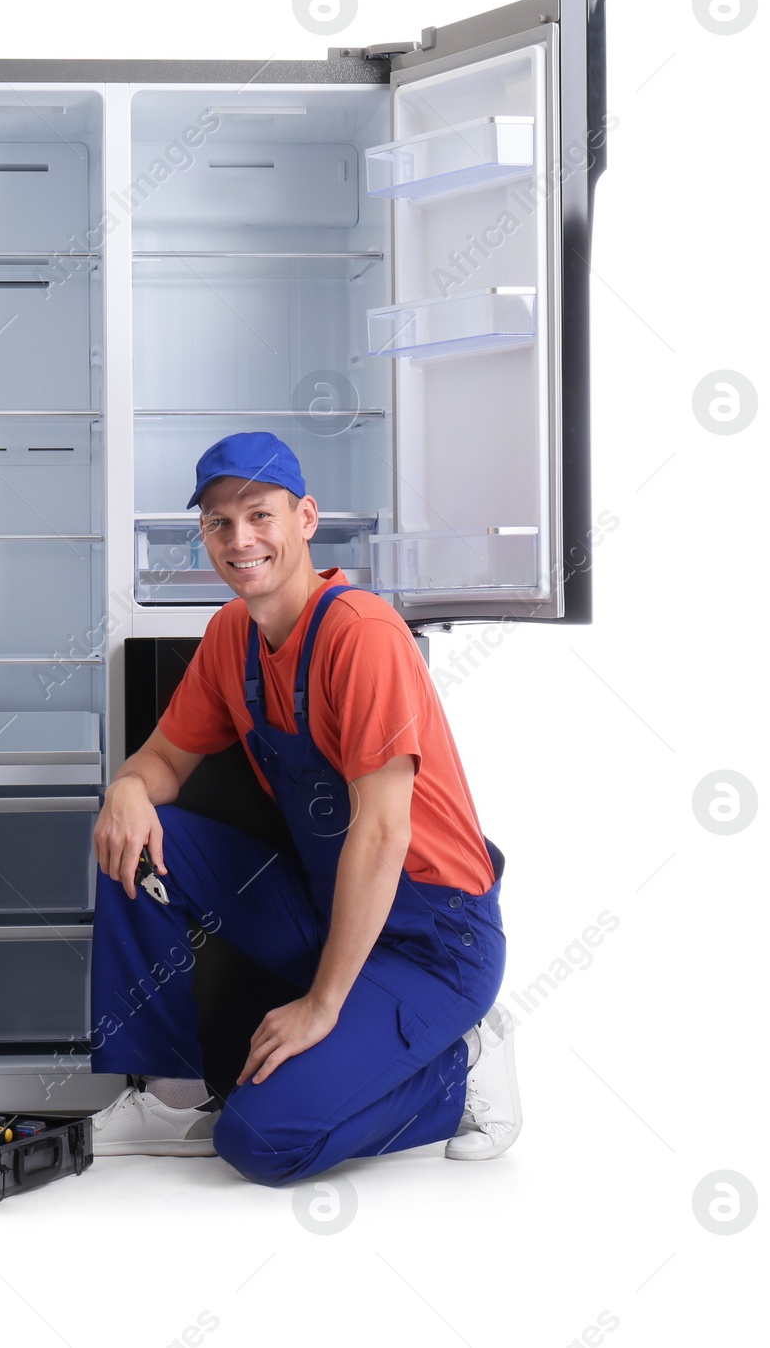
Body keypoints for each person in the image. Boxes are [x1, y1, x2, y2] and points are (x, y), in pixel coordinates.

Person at [86, 432, 519, 1185]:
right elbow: (162, 761)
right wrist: (126, 789)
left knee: (262, 1141)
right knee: (142, 840)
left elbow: (383, 833)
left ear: (307, 519)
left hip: (433, 939)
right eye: (219, 523)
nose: (240, 539)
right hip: (327, 908)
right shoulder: (231, 638)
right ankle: (171, 1095)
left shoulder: (364, 636)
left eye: (260, 516)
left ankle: (461, 1063)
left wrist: (321, 1005)